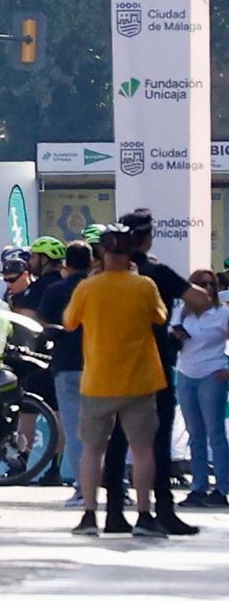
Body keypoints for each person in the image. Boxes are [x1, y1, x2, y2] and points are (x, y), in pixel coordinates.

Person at [66, 224, 169, 538]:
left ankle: (89, 515)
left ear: (102, 253)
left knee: (92, 450)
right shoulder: (144, 285)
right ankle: (144, 515)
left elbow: (69, 322)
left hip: (98, 380)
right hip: (139, 380)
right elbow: (160, 316)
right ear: (130, 253)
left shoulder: (88, 287)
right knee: (142, 450)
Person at [101, 210, 197, 536]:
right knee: (155, 442)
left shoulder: (101, 278)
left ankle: (114, 511)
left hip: (113, 365)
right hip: (152, 365)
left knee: (116, 441)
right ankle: (161, 509)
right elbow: (197, 300)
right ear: (146, 237)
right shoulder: (155, 274)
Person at [38, 241, 93, 503]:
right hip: (99, 365)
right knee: (105, 430)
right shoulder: (96, 289)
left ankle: (84, 487)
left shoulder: (56, 289)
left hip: (66, 364)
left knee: (74, 429)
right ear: (91, 262)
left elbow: (42, 323)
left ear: (66, 264)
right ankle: (116, 484)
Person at [172, 269, 229, 508]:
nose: (206, 289)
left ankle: (222, 488)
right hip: (186, 373)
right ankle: (199, 486)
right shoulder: (181, 312)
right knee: (195, 434)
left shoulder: (222, 313)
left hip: (212, 373)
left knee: (215, 433)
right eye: (200, 284)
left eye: (210, 284)